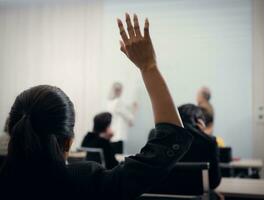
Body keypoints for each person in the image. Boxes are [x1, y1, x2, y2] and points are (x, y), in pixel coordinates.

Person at [0, 13, 193, 200]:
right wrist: (148, 66)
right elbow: (170, 140)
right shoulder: (86, 182)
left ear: (12, 131)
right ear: (68, 141)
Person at [178, 104, 221, 189]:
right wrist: (203, 134)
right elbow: (214, 182)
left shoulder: (161, 139)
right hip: (198, 194)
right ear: (200, 122)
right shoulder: (209, 142)